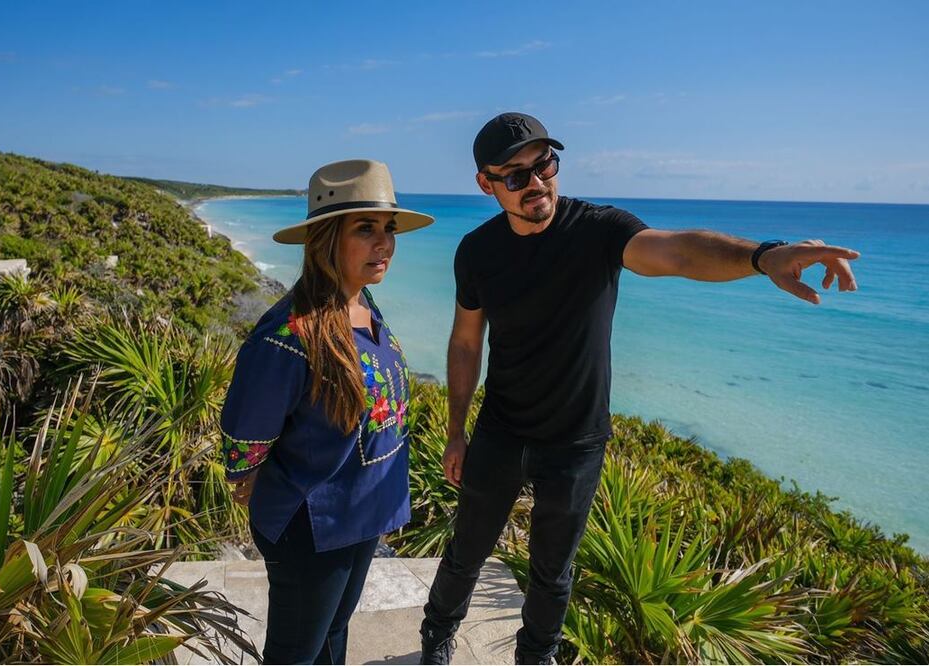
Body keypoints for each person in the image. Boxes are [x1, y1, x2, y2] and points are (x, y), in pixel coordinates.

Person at [419, 113, 860, 665]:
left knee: (553, 573)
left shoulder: (598, 230)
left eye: (545, 165)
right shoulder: (476, 251)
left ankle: (535, 658)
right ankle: (436, 636)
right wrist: (457, 431)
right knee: (467, 552)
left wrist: (762, 256)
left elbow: (676, 251)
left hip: (576, 441)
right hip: (501, 431)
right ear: (486, 183)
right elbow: (466, 342)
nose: (536, 183)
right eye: (516, 176)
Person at [221, 159, 433, 664]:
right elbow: (246, 430)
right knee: (296, 651)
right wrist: (248, 477)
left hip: (362, 510)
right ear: (325, 239)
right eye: (365, 229)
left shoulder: (364, 305)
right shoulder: (289, 336)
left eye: (388, 229)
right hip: (313, 524)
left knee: (333, 632)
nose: (384, 243)